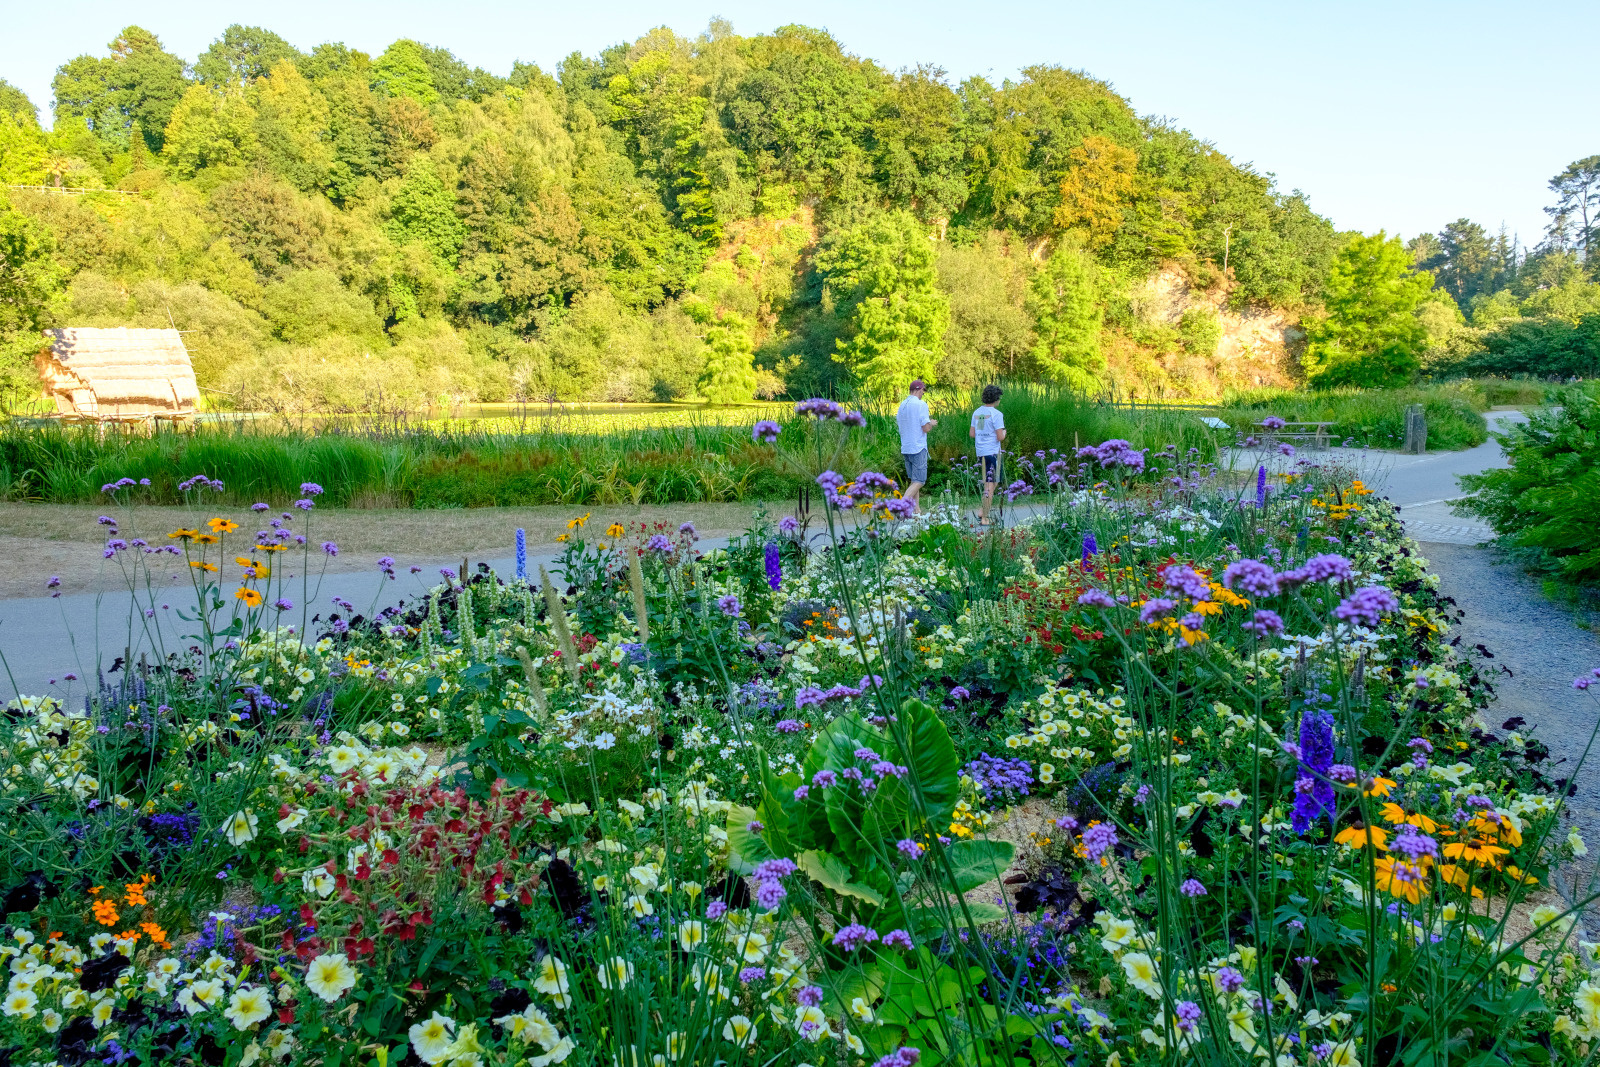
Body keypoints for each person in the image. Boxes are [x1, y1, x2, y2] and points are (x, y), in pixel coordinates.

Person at [895, 379, 936, 511]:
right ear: (919, 390)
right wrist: (931, 423)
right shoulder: (920, 404)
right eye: (923, 390)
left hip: (905, 447)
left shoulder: (902, 405)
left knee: (914, 480)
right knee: (919, 481)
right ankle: (901, 505)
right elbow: (926, 428)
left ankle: (916, 512)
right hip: (918, 447)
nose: (924, 393)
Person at [970, 384, 1006, 526]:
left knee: (992, 482)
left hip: (981, 451)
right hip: (992, 451)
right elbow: (999, 437)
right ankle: (985, 518)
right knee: (990, 485)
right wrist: (1004, 433)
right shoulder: (997, 415)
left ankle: (982, 510)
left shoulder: (978, 412)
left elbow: (973, 433)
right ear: (996, 399)